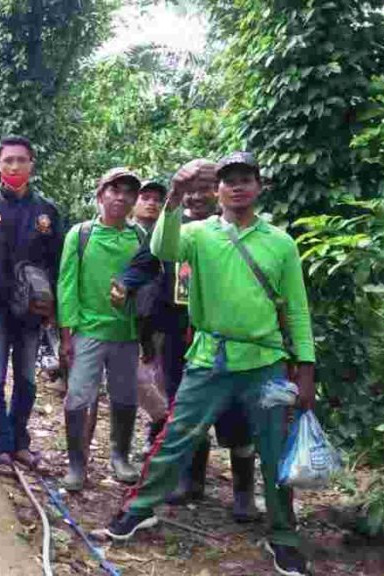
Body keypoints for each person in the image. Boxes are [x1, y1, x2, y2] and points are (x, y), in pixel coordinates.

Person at [104, 152, 316, 576]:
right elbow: (162, 247)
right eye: (229, 180)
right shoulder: (197, 234)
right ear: (217, 190)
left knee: (273, 449)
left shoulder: (280, 243)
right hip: (208, 356)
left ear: (259, 187)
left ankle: (283, 535)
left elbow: (296, 309)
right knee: (176, 436)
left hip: (265, 361)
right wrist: (175, 194)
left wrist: (306, 367)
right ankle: (141, 507)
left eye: (246, 179)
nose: (237, 187)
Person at [0, 135, 63, 469]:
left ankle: (20, 442)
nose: (15, 166)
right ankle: (1, 445)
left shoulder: (47, 212)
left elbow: (58, 265)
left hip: (32, 312)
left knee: (27, 379)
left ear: (31, 164)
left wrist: (54, 311)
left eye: (21, 159)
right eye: (8, 160)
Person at [58, 168, 146, 490]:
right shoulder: (80, 235)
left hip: (126, 333)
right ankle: (77, 465)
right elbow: (66, 286)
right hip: (88, 331)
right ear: (100, 195)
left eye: (128, 193)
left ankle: (120, 456)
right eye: (114, 190)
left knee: (125, 396)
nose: (121, 197)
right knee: (78, 397)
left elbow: (147, 280)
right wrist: (66, 334)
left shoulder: (139, 238)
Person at [119, 180, 170, 453]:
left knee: (162, 379)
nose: (151, 203)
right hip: (130, 318)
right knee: (138, 380)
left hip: (162, 319)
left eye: (157, 200)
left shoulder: (169, 234)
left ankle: (160, 438)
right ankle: (161, 421)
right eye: (145, 198)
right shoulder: (126, 234)